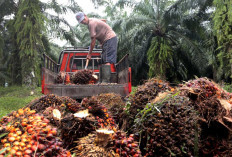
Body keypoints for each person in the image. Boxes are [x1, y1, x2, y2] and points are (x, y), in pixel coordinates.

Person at [75, 12, 117, 83]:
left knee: (107, 60)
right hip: (105, 41)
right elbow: (103, 20)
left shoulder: (91, 23)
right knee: (103, 60)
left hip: (109, 39)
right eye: (81, 21)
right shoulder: (91, 21)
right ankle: (101, 80)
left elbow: (93, 41)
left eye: (83, 19)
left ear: (85, 15)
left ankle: (105, 81)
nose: (83, 22)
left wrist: (89, 54)